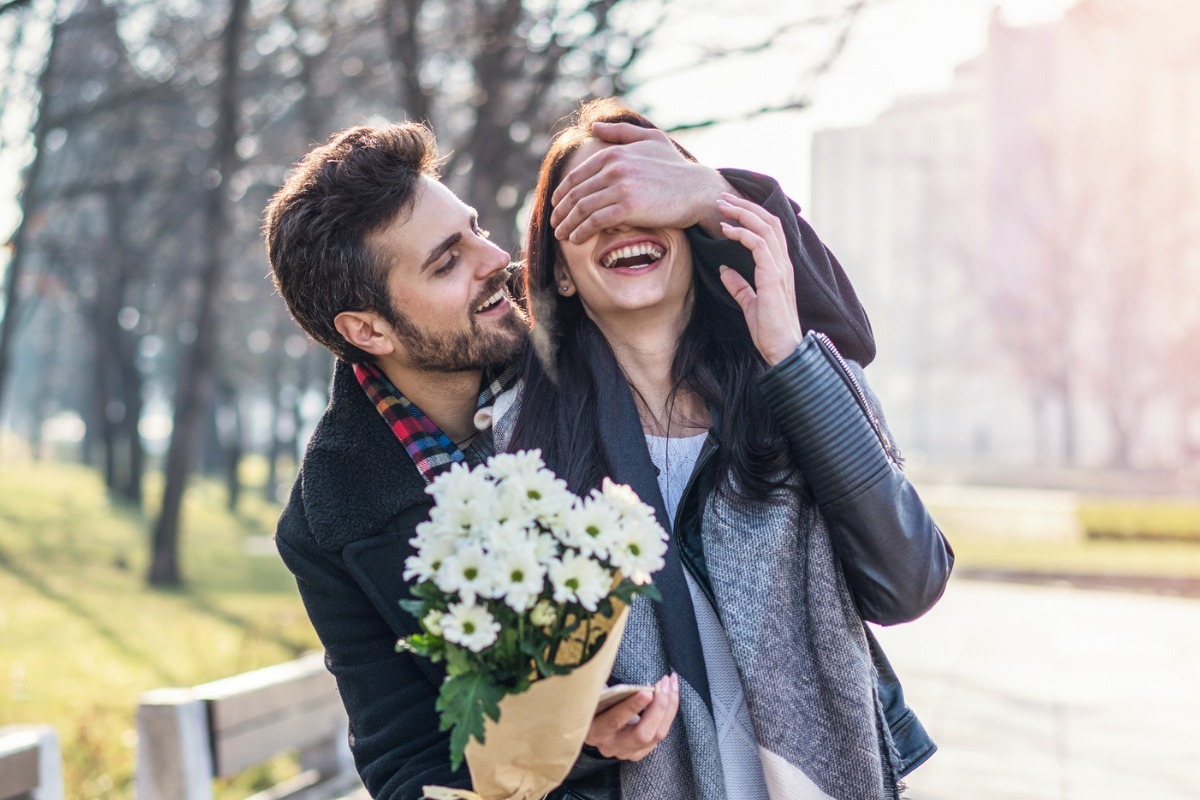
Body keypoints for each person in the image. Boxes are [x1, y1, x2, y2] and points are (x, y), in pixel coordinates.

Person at [263, 118, 881, 799]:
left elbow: (836, 334)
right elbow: (404, 762)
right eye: (446, 261)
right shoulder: (334, 517)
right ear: (367, 329)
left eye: (474, 228)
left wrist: (716, 194)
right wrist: (569, 742)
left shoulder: (577, 313)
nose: (495, 257)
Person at [496, 99, 954, 799]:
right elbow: (513, 702)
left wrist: (788, 352)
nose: (622, 221)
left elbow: (909, 581)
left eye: (649, 197)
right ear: (559, 272)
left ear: (691, 233)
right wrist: (586, 733)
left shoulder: (799, 386)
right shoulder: (520, 450)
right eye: (591, 207)